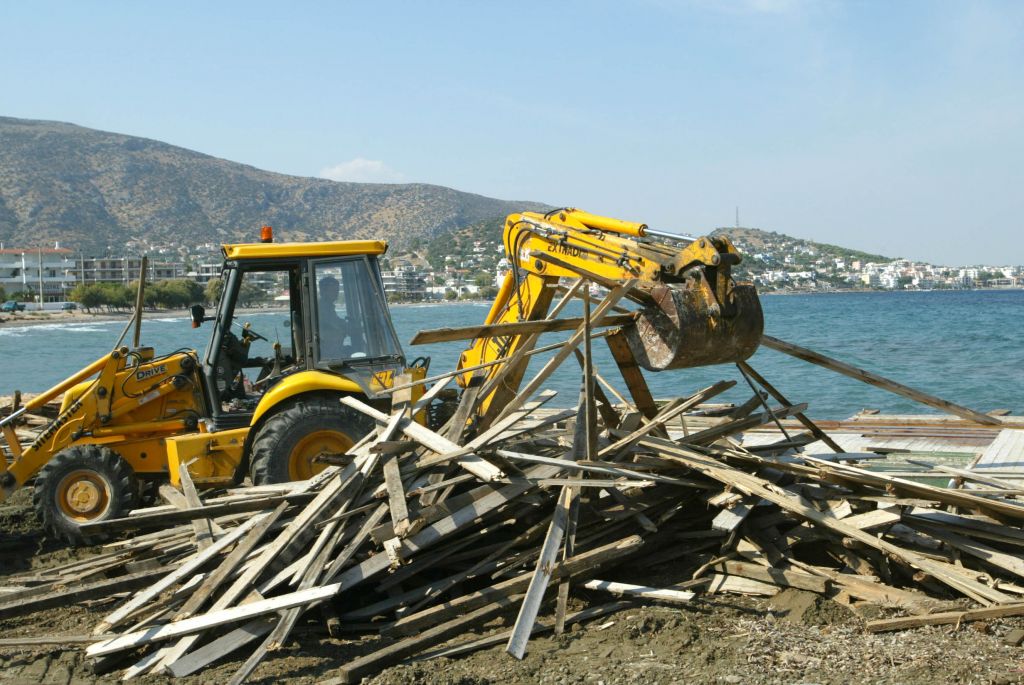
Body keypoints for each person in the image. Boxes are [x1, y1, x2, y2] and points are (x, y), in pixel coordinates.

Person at [317, 275, 348, 357]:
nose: (336, 293)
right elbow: (331, 327)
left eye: (337, 290)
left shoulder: (328, 307)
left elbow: (336, 321)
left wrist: (345, 324)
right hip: (327, 350)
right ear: (323, 291)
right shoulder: (322, 308)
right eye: (333, 290)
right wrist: (345, 327)